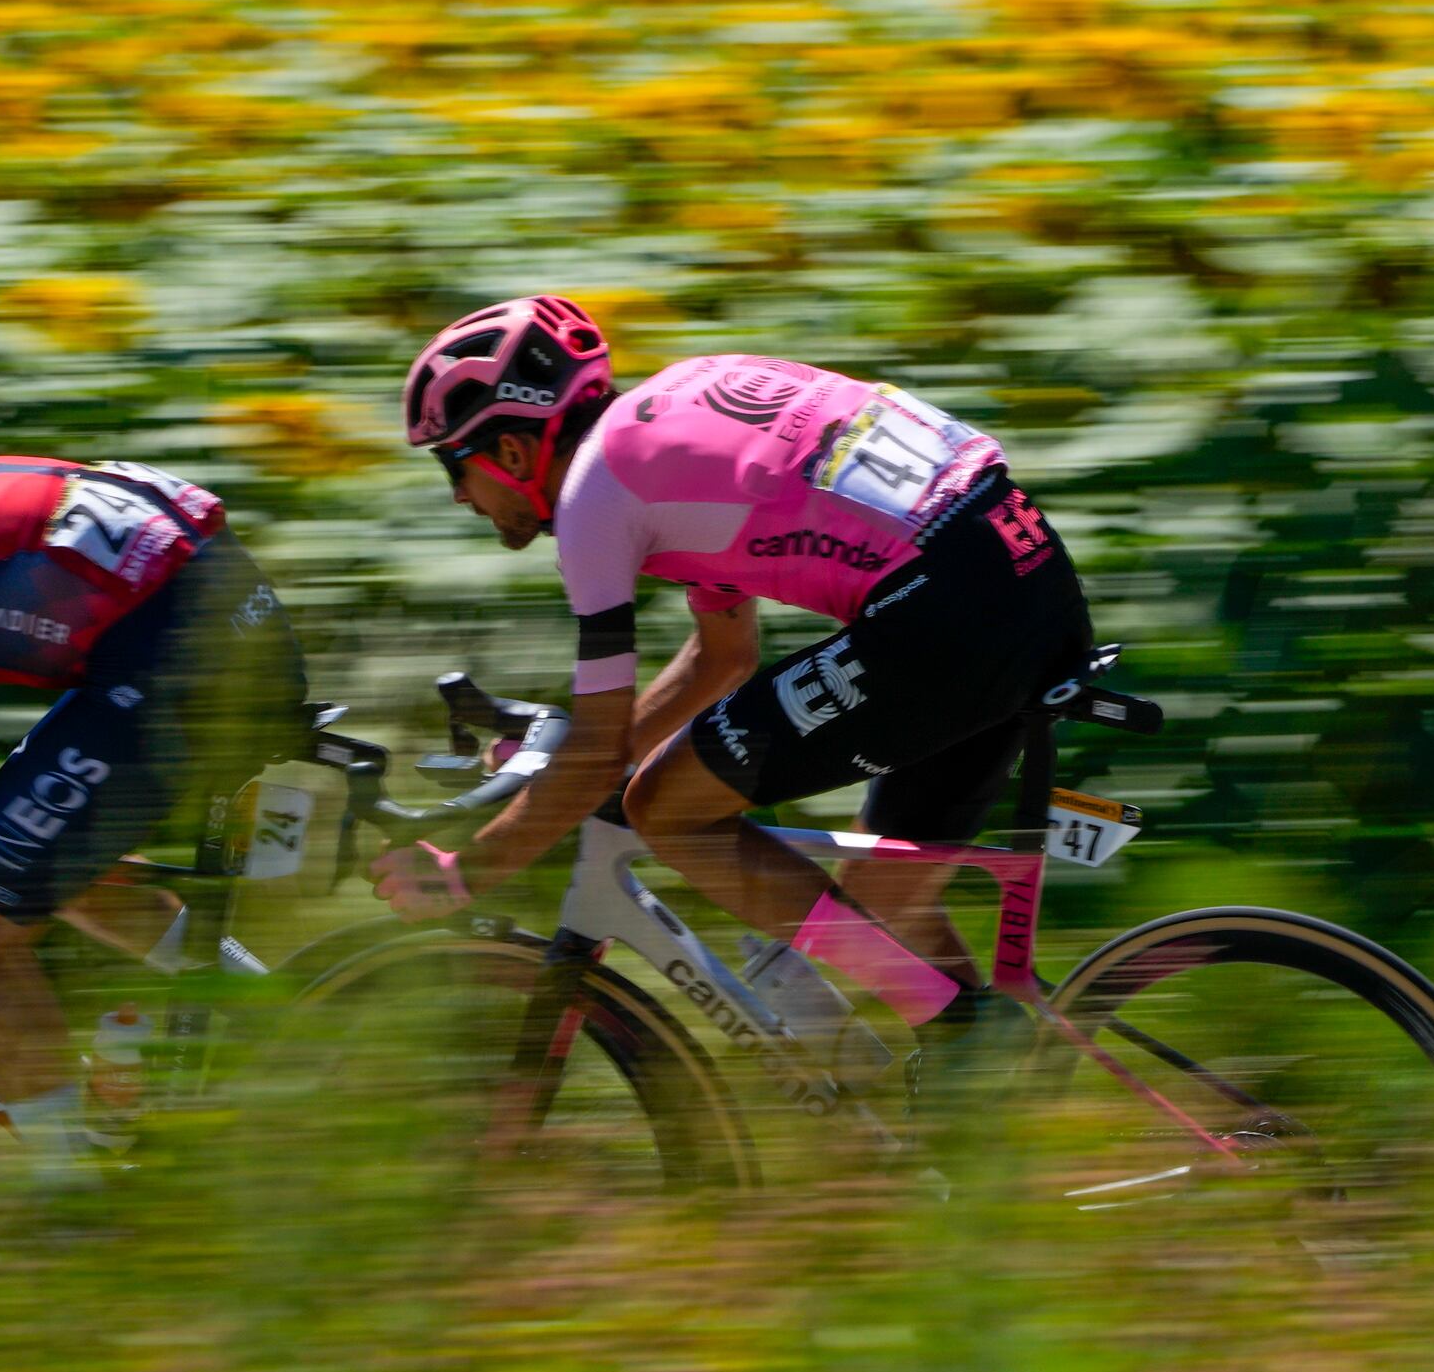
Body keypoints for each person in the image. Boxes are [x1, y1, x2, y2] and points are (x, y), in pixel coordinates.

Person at [400, 299, 1092, 1026]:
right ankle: (989, 1074)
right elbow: (721, 657)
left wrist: (466, 871)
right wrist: (568, 771)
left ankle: (954, 1026)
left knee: (666, 808)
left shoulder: (592, 500)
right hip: (1027, 569)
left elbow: (604, 749)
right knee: (881, 904)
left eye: (455, 464)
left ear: (511, 451)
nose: (457, 495)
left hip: (944, 607)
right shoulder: (681, 403)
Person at [0, 454, 306, 1165]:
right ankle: (271, 1006)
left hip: (179, 644)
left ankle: (68, 1202)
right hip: (201, 611)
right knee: (8, 838)